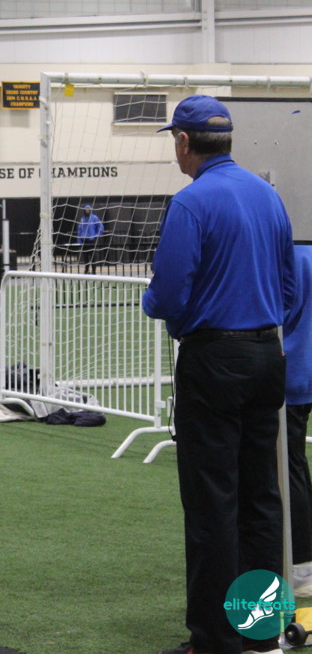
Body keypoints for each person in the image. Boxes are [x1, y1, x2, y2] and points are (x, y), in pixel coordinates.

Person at [143, 96, 295, 654]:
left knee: (213, 502)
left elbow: (168, 296)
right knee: (261, 498)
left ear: (184, 142)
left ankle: (214, 640)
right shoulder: (268, 195)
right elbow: (288, 287)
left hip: (214, 360)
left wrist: (163, 309)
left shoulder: (191, 203)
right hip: (266, 356)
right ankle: (260, 631)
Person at [286, 244, 312, 597]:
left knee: (287, 470)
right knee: (295, 467)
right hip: (301, 371)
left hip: (289, 374)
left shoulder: (287, 255)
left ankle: (302, 566)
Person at [76, 205, 103, 274]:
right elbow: (80, 229)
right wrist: (79, 239)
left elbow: (100, 226)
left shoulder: (94, 218)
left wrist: (97, 234)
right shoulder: (82, 219)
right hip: (84, 240)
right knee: (85, 257)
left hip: (91, 240)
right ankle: (86, 270)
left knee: (93, 256)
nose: (87, 211)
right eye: (86, 210)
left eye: (88, 210)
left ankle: (94, 270)